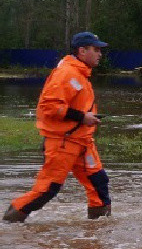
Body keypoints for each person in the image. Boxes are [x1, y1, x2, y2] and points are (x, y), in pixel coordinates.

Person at [4, 32, 112, 223]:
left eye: (99, 50)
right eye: (96, 50)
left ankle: (98, 235)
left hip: (82, 141)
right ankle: (10, 222)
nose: (100, 54)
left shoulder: (79, 73)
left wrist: (85, 118)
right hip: (63, 142)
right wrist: (81, 117)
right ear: (82, 50)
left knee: (99, 183)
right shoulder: (67, 73)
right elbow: (49, 107)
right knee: (47, 190)